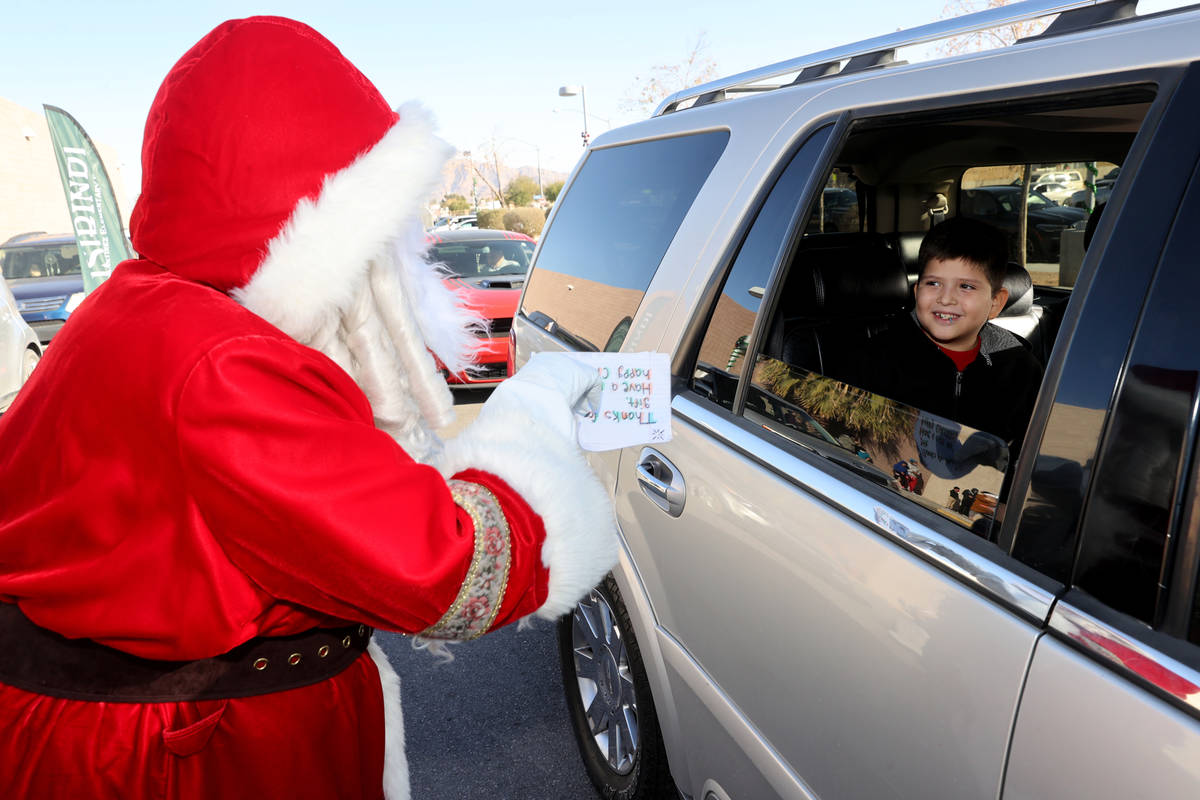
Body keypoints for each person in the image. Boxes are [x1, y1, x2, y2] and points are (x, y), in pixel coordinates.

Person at [0, 17, 617, 800]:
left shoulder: (137, 312)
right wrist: (531, 428)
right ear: (327, 220)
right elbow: (447, 572)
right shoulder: (226, 363)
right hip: (192, 760)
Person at [845, 217, 1043, 454]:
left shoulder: (1020, 368)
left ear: (995, 302)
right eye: (934, 283)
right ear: (917, 292)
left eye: (966, 286)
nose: (946, 298)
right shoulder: (873, 361)